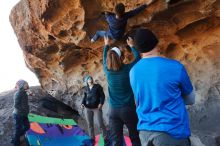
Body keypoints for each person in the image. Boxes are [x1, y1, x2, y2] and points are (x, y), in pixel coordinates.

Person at [129, 28, 195, 146]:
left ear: (138, 49)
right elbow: (191, 99)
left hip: (145, 133)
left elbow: (137, 102)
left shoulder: (133, 72)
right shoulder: (175, 67)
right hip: (172, 132)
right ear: (156, 43)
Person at [102, 36, 141, 146]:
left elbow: (104, 57)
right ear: (121, 58)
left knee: (116, 141)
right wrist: (132, 46)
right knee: (135, 138)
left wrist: (106, 44)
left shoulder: (107, 70)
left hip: (113, 111)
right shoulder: (128, 69)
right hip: (128, 109)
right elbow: (138, 57)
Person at [91, 0, 156, 43]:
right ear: (124, 11)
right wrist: (147, 3)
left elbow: (106, 14)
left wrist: (105, 12)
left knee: (98, 33)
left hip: (111, 35)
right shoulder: (126, 16)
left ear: (114, 11)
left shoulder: (110, 18)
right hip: (120, 35)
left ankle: (92, 40)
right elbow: (137, 11)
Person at [81, 75, 107, 144]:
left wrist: (101, 103)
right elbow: (84, 97)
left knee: (100, 123)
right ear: (86, 81)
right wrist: (82, 103)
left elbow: (102, 96)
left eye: (90, 77)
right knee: (90, 124)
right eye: (88, 78)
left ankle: (105, 138)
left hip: (96, 108)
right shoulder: (86, 88)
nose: (90, 78)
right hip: (87, 108)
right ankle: (92, 139)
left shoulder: (97, 86)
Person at [12, 80, 31, 146]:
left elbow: (30, 95)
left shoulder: (25, 92)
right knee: (18, 129)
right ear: (21, 85)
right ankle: (16, 143)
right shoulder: (18, 93)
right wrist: (24, 110)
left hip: (24, 114)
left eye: (27, 84)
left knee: (27, 127)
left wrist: (29, 92)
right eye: (25, 84)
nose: (27, 85)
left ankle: (15, 138)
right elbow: (16, 105)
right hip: (18, 114)